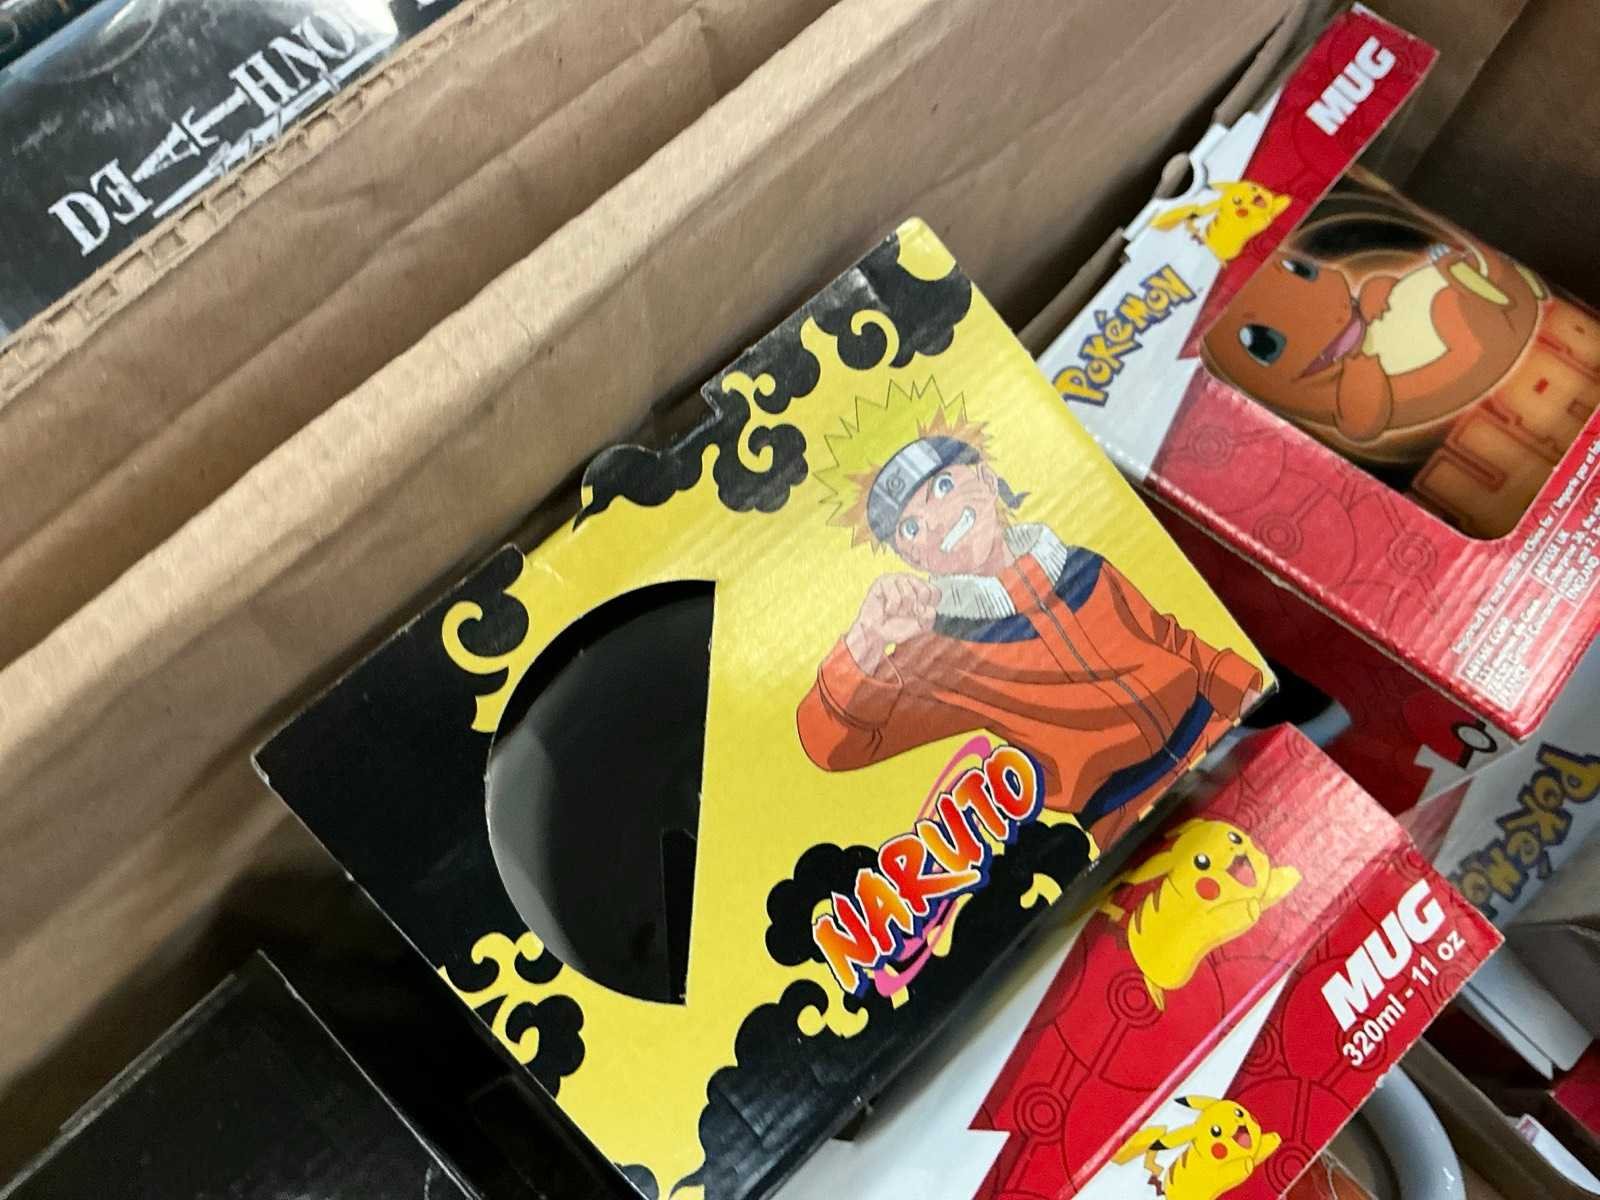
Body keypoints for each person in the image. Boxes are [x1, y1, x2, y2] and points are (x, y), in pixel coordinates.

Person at [797, 380, 1261, 846]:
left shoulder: (1081, 564)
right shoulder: (940, 657)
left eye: (942, 486)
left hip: (1221, 731)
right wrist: (867, 639)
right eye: (911, 528)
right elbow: (833, 746)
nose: (935, 522)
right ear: (910, 557)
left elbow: (1171, 640)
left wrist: (1243, 687)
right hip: (1133, 819)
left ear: (985, 480)